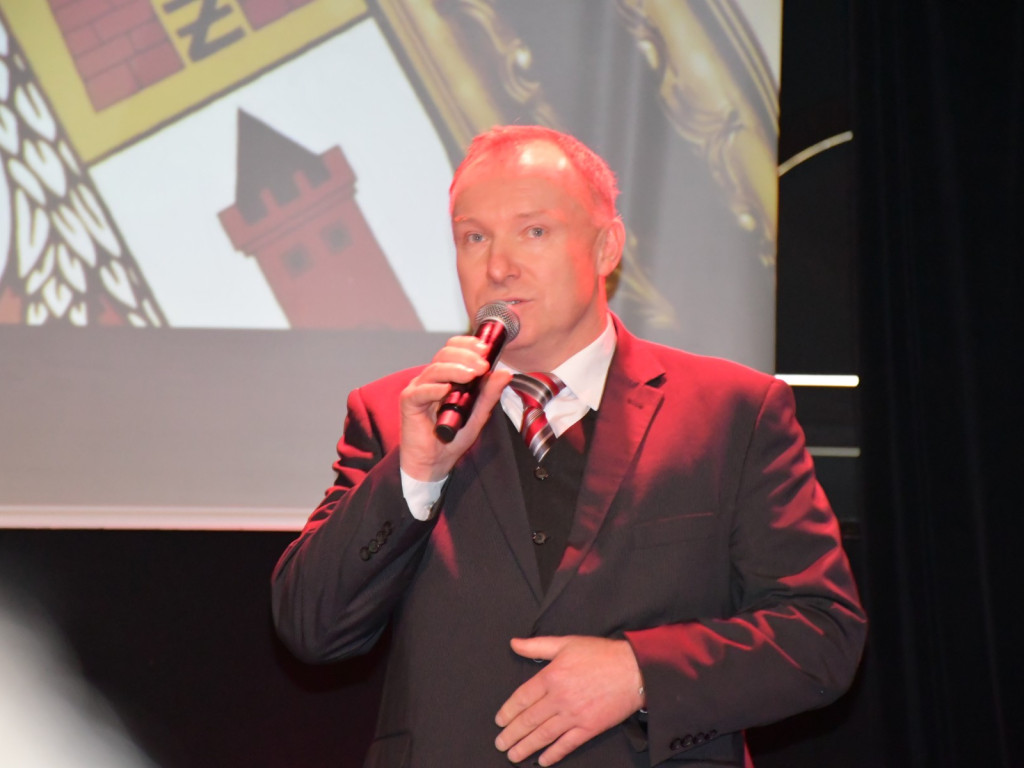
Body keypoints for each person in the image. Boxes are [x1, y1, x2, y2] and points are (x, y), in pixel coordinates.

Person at [271, 125, 866, 767]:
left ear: (606, 247)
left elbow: (821, 633)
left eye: (534, 231)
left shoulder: (731, 412)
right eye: (474, 237)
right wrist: (417, 472)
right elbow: (311, 628)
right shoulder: (401, 415)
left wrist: (639, 674)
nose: (499, 267)